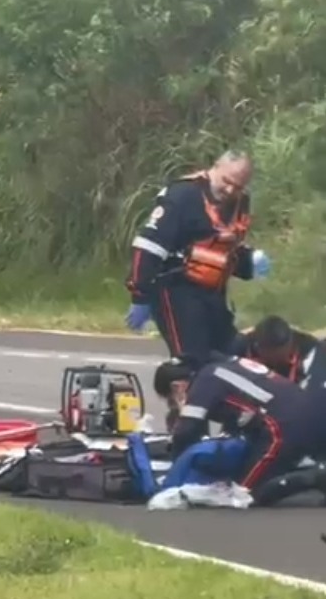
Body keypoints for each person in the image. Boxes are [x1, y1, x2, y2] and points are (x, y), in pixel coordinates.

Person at [125, 151, 271, 367]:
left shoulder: (239, 201)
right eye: (227, 182)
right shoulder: (184, 195)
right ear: (215, 168)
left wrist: (250, 262)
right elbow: (148, 247)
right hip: (177, 290)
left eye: (238, 186)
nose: (231, 190)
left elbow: (223, 252)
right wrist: (140, 296)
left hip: (213, 293)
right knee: (193, 362)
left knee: (233, 357)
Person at [153, 356, 326, 506]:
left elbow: (186, 432)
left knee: (244, 494)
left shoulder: (202, 384)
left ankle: (315, 478)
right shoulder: (223, 368)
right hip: (307, 413)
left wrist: (174, 469)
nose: (172, 405)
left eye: (170, 400)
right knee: (259, 471)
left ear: (177, 388)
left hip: (282, 426)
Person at [230, 315, 325, 387]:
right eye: (272, 357)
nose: (276, 361)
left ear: (290, 343)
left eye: (281, 357)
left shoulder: (310, 352)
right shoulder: (242, 346)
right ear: (259, 347)